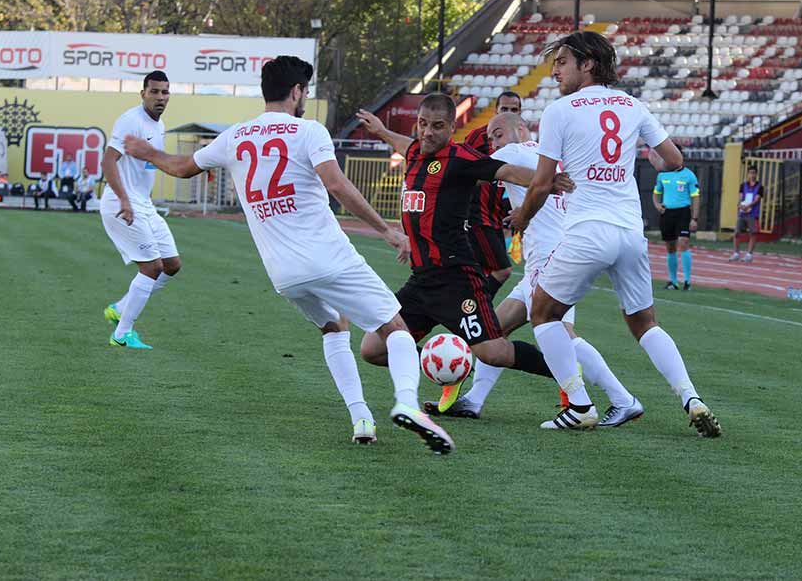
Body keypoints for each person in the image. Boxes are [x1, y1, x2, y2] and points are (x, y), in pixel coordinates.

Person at [124, 56, 455, 454]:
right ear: (297, 92)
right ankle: (406, 402)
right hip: (328, 257)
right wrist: (386, 230)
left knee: (334, 328)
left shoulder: (236, 137)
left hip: (283, 273)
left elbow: (179, 167)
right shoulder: (308, 131)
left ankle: (361, 417)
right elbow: (336, 184)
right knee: (395, 328)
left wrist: (144, 152)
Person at [508, 30, 721, 436]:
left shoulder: (560, 110)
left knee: (543, 313)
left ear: (588, 64)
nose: (555, 71)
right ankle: (690, 397)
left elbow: (540, 183)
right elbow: (674, 159)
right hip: (630, 230)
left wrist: (522, 218)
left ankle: (580, 406)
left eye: (563, 62)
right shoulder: (633, 105)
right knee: (645, 323)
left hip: (588, 228)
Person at [355, 93, 570, 412]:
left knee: (493, 352)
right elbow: (405, 144)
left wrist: (546, 182)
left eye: (437, 126)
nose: (428, 132)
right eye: (422, 124)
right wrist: (382, 131)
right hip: (421, 282)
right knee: (373, 348)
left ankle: (566, 374)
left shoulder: (460, 158)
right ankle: (446, 359)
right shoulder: (415, 151)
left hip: (457, 280)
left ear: (451, 127)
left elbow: (507, 171)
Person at [428, 111, 644, 427]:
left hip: (550, 260)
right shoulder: (551, 159)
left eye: (498, 134)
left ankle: (622, 400)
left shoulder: (516, 152)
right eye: (490, 138)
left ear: (521, 130)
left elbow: (465, 165)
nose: (494, 142)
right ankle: (473, 401)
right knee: (494, 331)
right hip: (548, 258)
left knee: (564, 336)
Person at [99, 71, 181, 349]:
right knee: (152, 267)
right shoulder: (130, 120)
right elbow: (109, 161)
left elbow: (154, 161)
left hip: (143, 203)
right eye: (155, 91)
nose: (160, 97)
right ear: (143, 93)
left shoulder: (159, 125)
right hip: (121, 203)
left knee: (171, 265)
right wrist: (124, 199)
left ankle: (121, 308)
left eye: (165, 92)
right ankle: (121, 334)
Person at [462, 91, 522, 299]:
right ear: (495, 110)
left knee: (482, 271)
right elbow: (463, 168)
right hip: (478, 215)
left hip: (497, 215)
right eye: (504, 108)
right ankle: (473, 309)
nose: (508, 113)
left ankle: (473, 312)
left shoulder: (521, 141)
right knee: (502, 270)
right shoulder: (479, 137)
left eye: (513, 110)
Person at [652, 164, 700, 290]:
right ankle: (673, 282)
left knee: (683, 242)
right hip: (667, 213)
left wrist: (694, 218)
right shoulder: (662, 174)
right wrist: (657, 205)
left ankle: (687, 281)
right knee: (670, 247)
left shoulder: (689, 175)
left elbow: (695, 197)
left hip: (683, 212)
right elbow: (656, 192)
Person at [730, 165, 764, 262]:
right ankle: (736, 253)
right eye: (750, 173)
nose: (752, 175)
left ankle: (749, 254)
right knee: (736, 232)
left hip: (753, 213)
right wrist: (741, 205)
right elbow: (740, 197)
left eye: (754, 173)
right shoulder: (743, 185)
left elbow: (757, 199)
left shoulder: (760, 187)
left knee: (753, 233)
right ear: (748, 174)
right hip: (742, 212)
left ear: (756, 174)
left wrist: (749, 206)